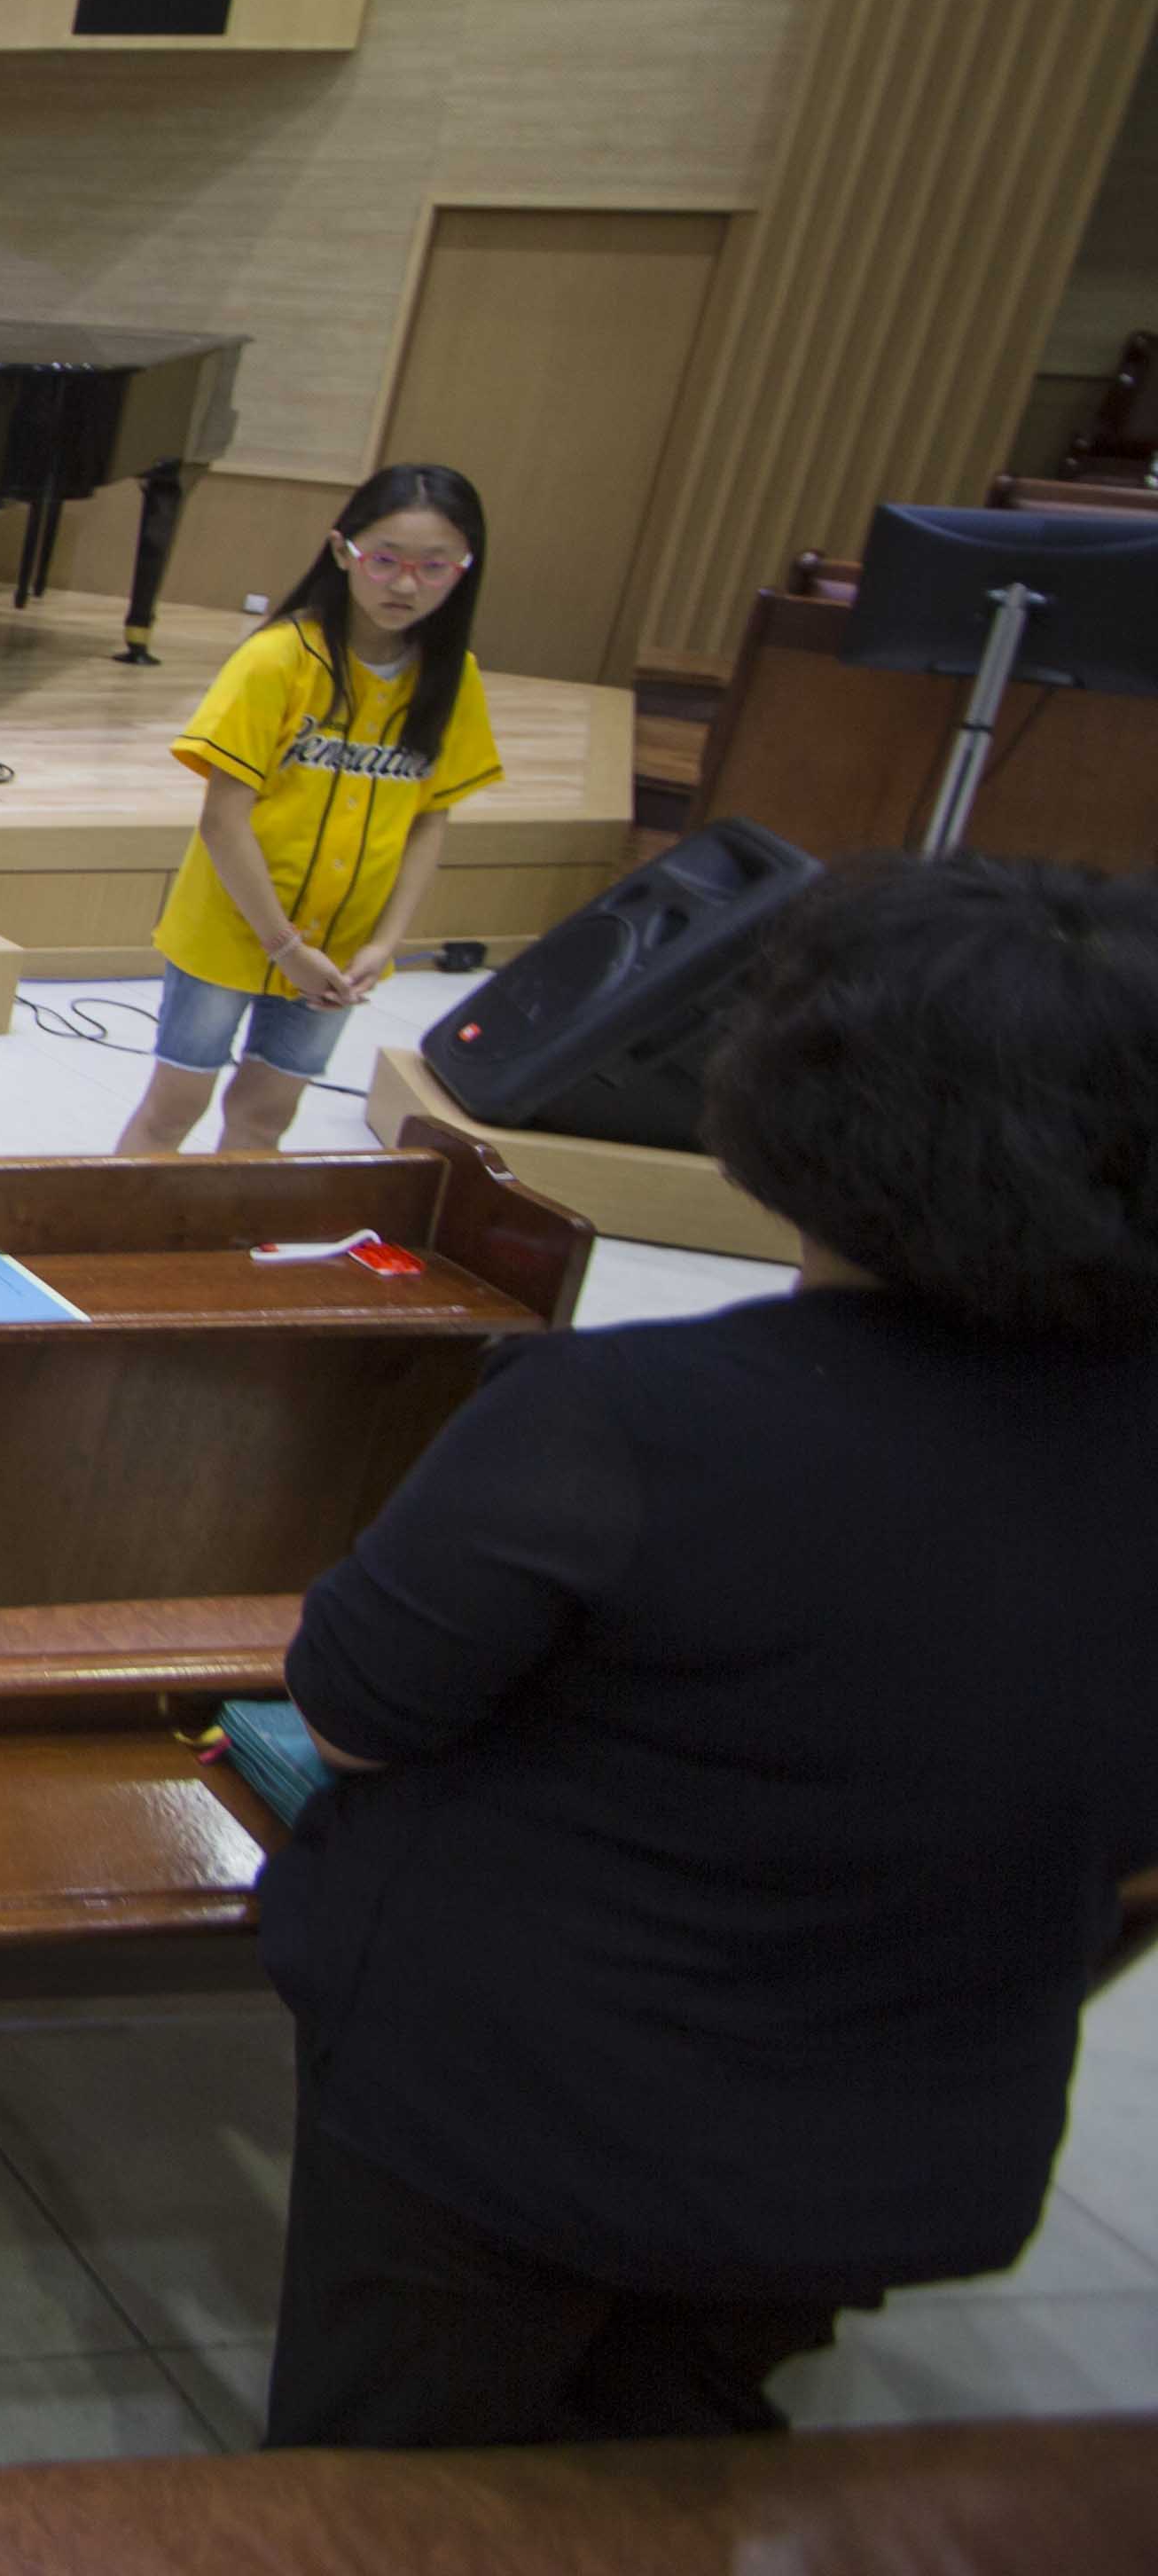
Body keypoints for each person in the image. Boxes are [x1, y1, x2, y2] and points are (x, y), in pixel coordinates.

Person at [254, 850, 1158, 2448]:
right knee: (681, 2447)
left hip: (511, 2115)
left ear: (808, 1104)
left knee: (402, 2493)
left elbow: (347, 1718)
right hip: (896, 2138)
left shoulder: (618, 1423)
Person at [119, 466, 501, 1157]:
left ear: (463, 570)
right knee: (173, 1108)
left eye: (434, 567)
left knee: (266, 1115)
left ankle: (232, 1230)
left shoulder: (453, 678)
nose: (406, 584)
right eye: (384, 560)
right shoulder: (276, 660)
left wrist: (384, 944)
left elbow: (429, 819)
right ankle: (122, 1230)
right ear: (341, 551)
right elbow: (222, 820)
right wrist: (285, 949)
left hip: (345, 949)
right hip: (231, 930)